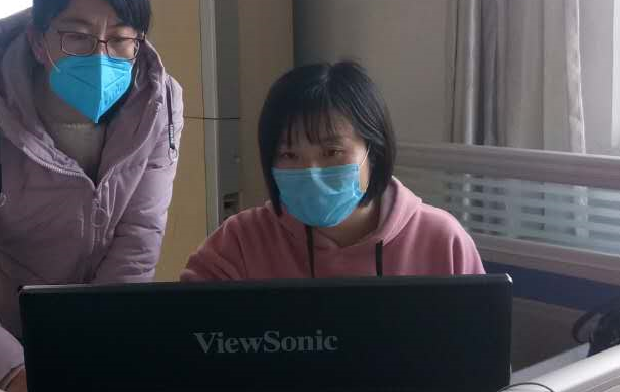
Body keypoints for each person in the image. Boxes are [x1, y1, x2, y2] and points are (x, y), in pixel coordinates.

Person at [0, 0, 184, 392]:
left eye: (121, 38)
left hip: (99, 336)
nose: (101, 56)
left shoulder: (159, 109)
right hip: (0, 342)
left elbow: (134, 251)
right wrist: (26, 382)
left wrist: (92, 365)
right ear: (39, 41)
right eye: (77, 36)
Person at [182, 61, 482, 281]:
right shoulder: (240, 242)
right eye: (289, 154)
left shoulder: (442, 241)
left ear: (373, 150)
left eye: (331, 152)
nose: (311, 171)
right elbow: (183, 334)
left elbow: (483, 341)